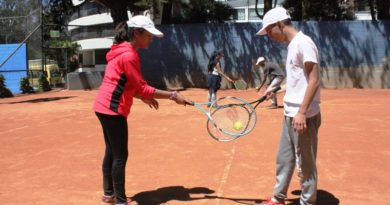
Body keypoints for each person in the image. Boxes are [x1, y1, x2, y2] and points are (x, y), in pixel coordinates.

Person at [93, 15, 192, 205]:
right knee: (120, 155)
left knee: (111, 152)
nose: (151, 39)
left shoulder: (120, 50)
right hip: (113, 108)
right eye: (148, 35)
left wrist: (142, 97)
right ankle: (120, 200)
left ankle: (109, 194)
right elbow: (140, 87)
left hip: (103, 106)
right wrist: (172, 96)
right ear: (137, 34)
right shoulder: (129, 54)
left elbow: (125, 83)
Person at [256, 7, 321, 205]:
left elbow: (314, 80)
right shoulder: (293, 45)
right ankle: (278, 197)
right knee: (284, 158)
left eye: (269, 31)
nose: (269, 36)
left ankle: (308, 201)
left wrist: (302, 112)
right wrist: (275, 90)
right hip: (289, 112)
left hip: (303, 115)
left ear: (279, 24)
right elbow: (296, 82)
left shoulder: (304, 43)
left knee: (305, 163)